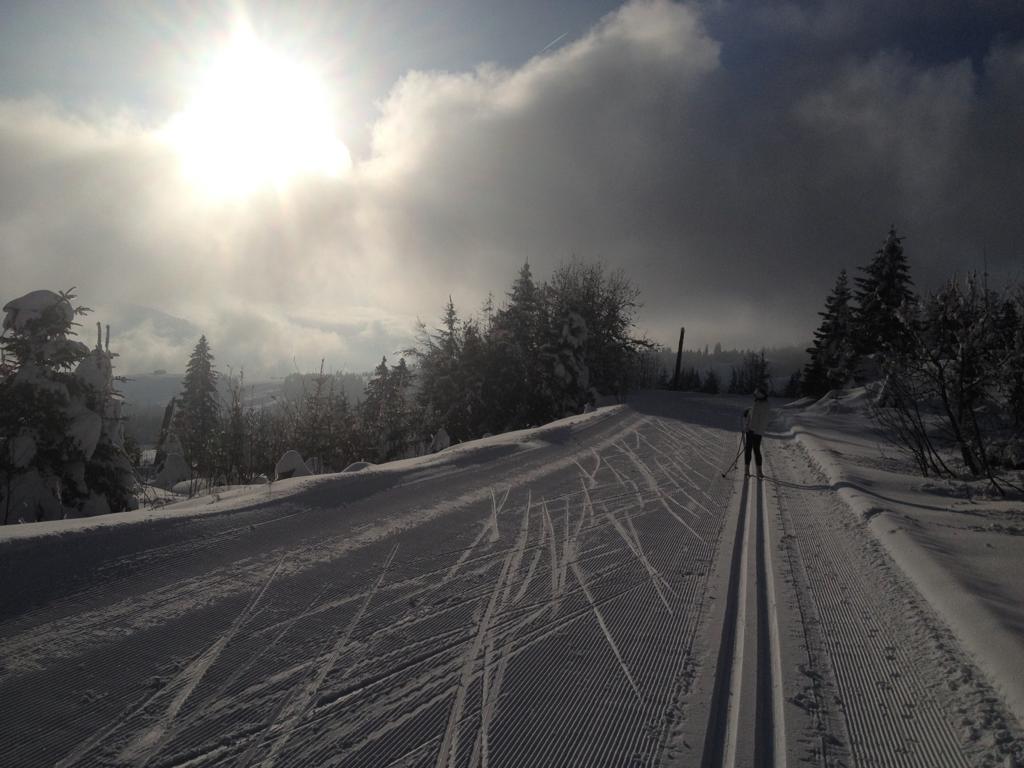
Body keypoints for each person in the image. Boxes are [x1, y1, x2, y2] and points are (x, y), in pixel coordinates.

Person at [743, 387, 771, 478]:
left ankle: (749, 470)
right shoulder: (763, 403)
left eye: (755, 394)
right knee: (756, 450)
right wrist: (749, 411)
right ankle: (757, 471)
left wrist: (750, 429)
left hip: (753, 431)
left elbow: (757, 418)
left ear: (759, 394)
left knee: (750, 450)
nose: (754, 396)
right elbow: (756, 414)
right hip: (758, 432)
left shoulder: (760, 404)